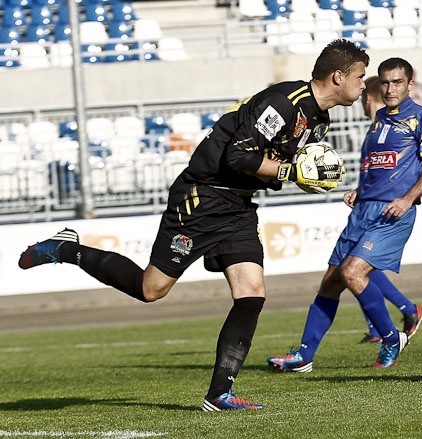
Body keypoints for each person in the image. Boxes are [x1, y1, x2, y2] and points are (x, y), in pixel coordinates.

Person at [17, 39, 369, 411]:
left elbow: (278, 167)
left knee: (251, 293)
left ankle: (219, 394)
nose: (364, 84)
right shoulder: (282, 102)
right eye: (361, 77)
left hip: (238, 206)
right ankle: (66, 248)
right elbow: (238, 156)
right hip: (202, 197)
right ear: (338, 76)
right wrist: (292, 170)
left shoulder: (320, 120)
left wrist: (308, 176)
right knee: (151, 289)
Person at [267, 57, 422, 372]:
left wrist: (407, 199)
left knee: (352, 273)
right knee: (331, 283)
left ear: (410, 84)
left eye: (397, 82)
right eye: (386, 82)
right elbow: (383, 167)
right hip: (363, 211)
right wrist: (360, 190)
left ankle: (392, 337)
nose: (390, 89)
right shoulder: (378, 121)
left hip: (392, 213)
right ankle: (304, 356)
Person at [356, 75, 422, 345]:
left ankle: (407, 311)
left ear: (366, 98)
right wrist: (359, 191)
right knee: (358, 266)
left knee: (357, 266)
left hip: (386, 208)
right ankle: (383, 324)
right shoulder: (376, 129)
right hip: (368, 205)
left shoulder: (390, 127)